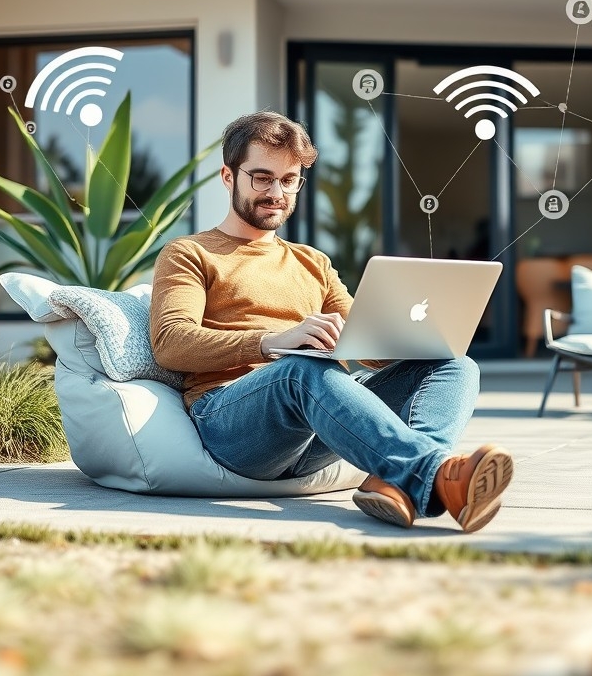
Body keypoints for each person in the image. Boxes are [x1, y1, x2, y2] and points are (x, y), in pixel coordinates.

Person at [149, 111, 513, 532]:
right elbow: (171, 342)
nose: (276, 192)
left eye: (289, 180)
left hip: (319, 431)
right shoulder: (189, 253)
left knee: (456, 364)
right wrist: (274, 341)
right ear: (228, 176)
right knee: (301, 369)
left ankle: (398, 483)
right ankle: (437, 477)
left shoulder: (313, 262)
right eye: (262, 178)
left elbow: (368, 349)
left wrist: (414, 337)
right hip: (232, 422)